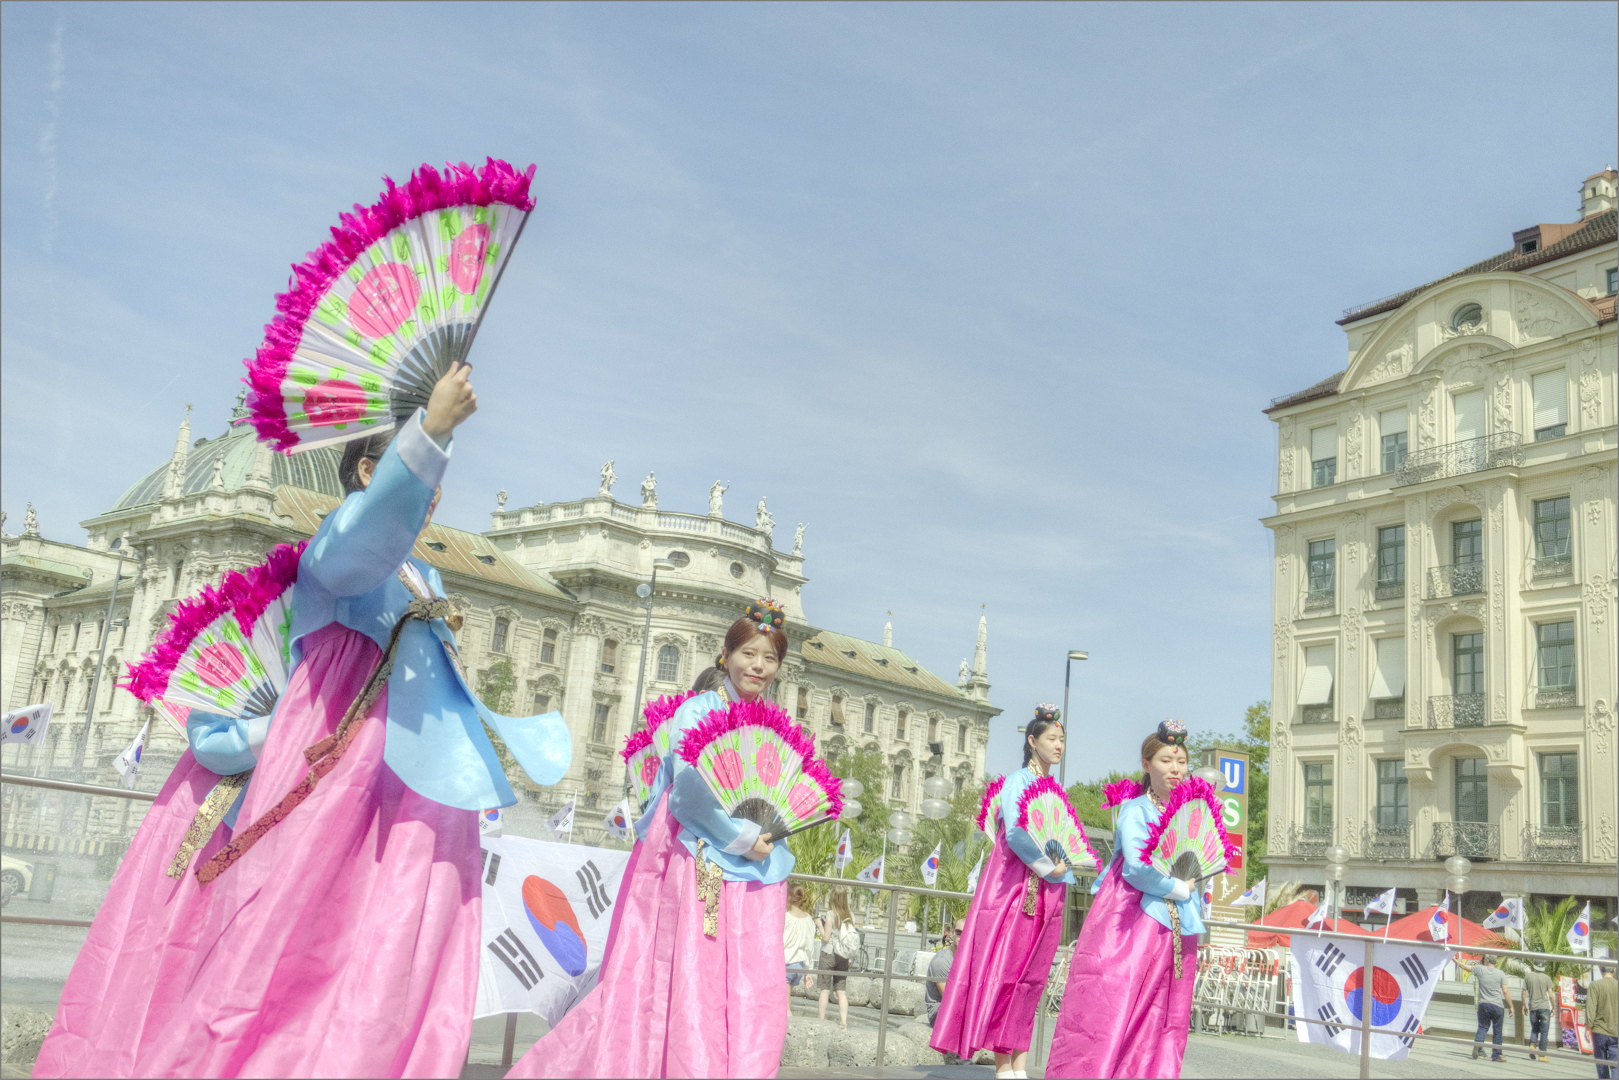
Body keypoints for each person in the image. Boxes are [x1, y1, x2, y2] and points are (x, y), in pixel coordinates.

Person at [121, 363, 572, 1078]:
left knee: (395, 951)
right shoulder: (337, 550)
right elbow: (367, 538)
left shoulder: (427, 578)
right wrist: (431, 433)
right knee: (306, 939)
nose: (432, 496)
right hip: (345, 777)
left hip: (417, 788)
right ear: (370, 469)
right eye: (409, 476)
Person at [507, 599, 797, 1079]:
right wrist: (745, 837)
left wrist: (770, 834)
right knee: (688, 972)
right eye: (749, 653)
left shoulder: (772, 725)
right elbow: (688, 795)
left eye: (770, 658)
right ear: (725, 655)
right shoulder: (697, 711)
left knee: (749, 981)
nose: (759, 666)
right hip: (696, 857)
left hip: (755, 873)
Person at [1045, 720, 1206, 1080]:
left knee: (1165, 1014)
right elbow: (1135, 868)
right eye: (1166, 760)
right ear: (1147, 765)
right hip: (1135, 921)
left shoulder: (1187, 814)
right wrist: (1178, 888)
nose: (1175, 769)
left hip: (1176, 928)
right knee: (1118, 1004)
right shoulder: (1136, 811)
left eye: (1180, 761)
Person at [932, 705, 1075, 1080]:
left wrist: (1060, 869)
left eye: (1062, 740)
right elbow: (1015, 832)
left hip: (1045, 895)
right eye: (1051, 739)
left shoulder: (1053, 791)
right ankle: (1002, 1066)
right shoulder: (1017, 783)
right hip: (1014, 892)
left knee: (1031, 980)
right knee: (1005, 973)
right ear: (1032, 741)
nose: (1058, 746)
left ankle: (1020, 1066)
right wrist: (1047, 864)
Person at [818, 887, 859, 1030]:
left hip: (829, 954)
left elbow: (826, 938)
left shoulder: (830, 914)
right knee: (841, 992)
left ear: (832, 898)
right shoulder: (851, 916)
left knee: (824, 990)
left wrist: (819, 925)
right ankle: (843, 1022)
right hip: (843, 956)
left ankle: (821, 1021)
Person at [1458, 954, 1511, 1062]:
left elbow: (1464, 966)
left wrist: (1452, 958)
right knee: (1497, 1031)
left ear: (1486, 959)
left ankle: (1477, 1046)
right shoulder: (1501, 973)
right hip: (1497, 1005)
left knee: (1483, 1027)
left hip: (1483, 1004)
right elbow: (1505, 991)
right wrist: (1511, 1006)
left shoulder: (1480, 969)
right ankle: (1496, 1056)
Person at [926, 921, 963, 1025]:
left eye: (967, 932)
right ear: (952, 933)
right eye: (958, 932)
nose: (962, 936)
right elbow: (950, 998)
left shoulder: (973, 958)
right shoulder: (941, 961)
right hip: (939, 1011)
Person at [785, 883, 817, 999]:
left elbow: (779, 943)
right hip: (799, 966)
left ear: (789, 897)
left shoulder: (786, 918)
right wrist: (808, 970)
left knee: (784, 1006)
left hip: (786, 964)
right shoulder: (809, 920)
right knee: (785, 1001)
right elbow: (809, 947)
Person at [1589, 967, 1618, 1080]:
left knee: (1601, 1065)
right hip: (1616, 1031)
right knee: (1616, 1066)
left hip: (1599, 1030)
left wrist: (1588, 1026)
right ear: (1614, 970)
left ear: (1601, 970)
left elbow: (1591, 1008)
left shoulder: (1595, 985)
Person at [1525, 962, 1555, 1063]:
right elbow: (1550, 995)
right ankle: (1542, 1055)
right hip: (1544, 1008)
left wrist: (1523, 1006)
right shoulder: (1547, 978)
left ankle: (1532, 1046)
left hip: (1533, 1007)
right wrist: (1554, 1007)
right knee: (1544, 1032)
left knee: (1534, 1029)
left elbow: (1523, 992)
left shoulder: (1528, 977)